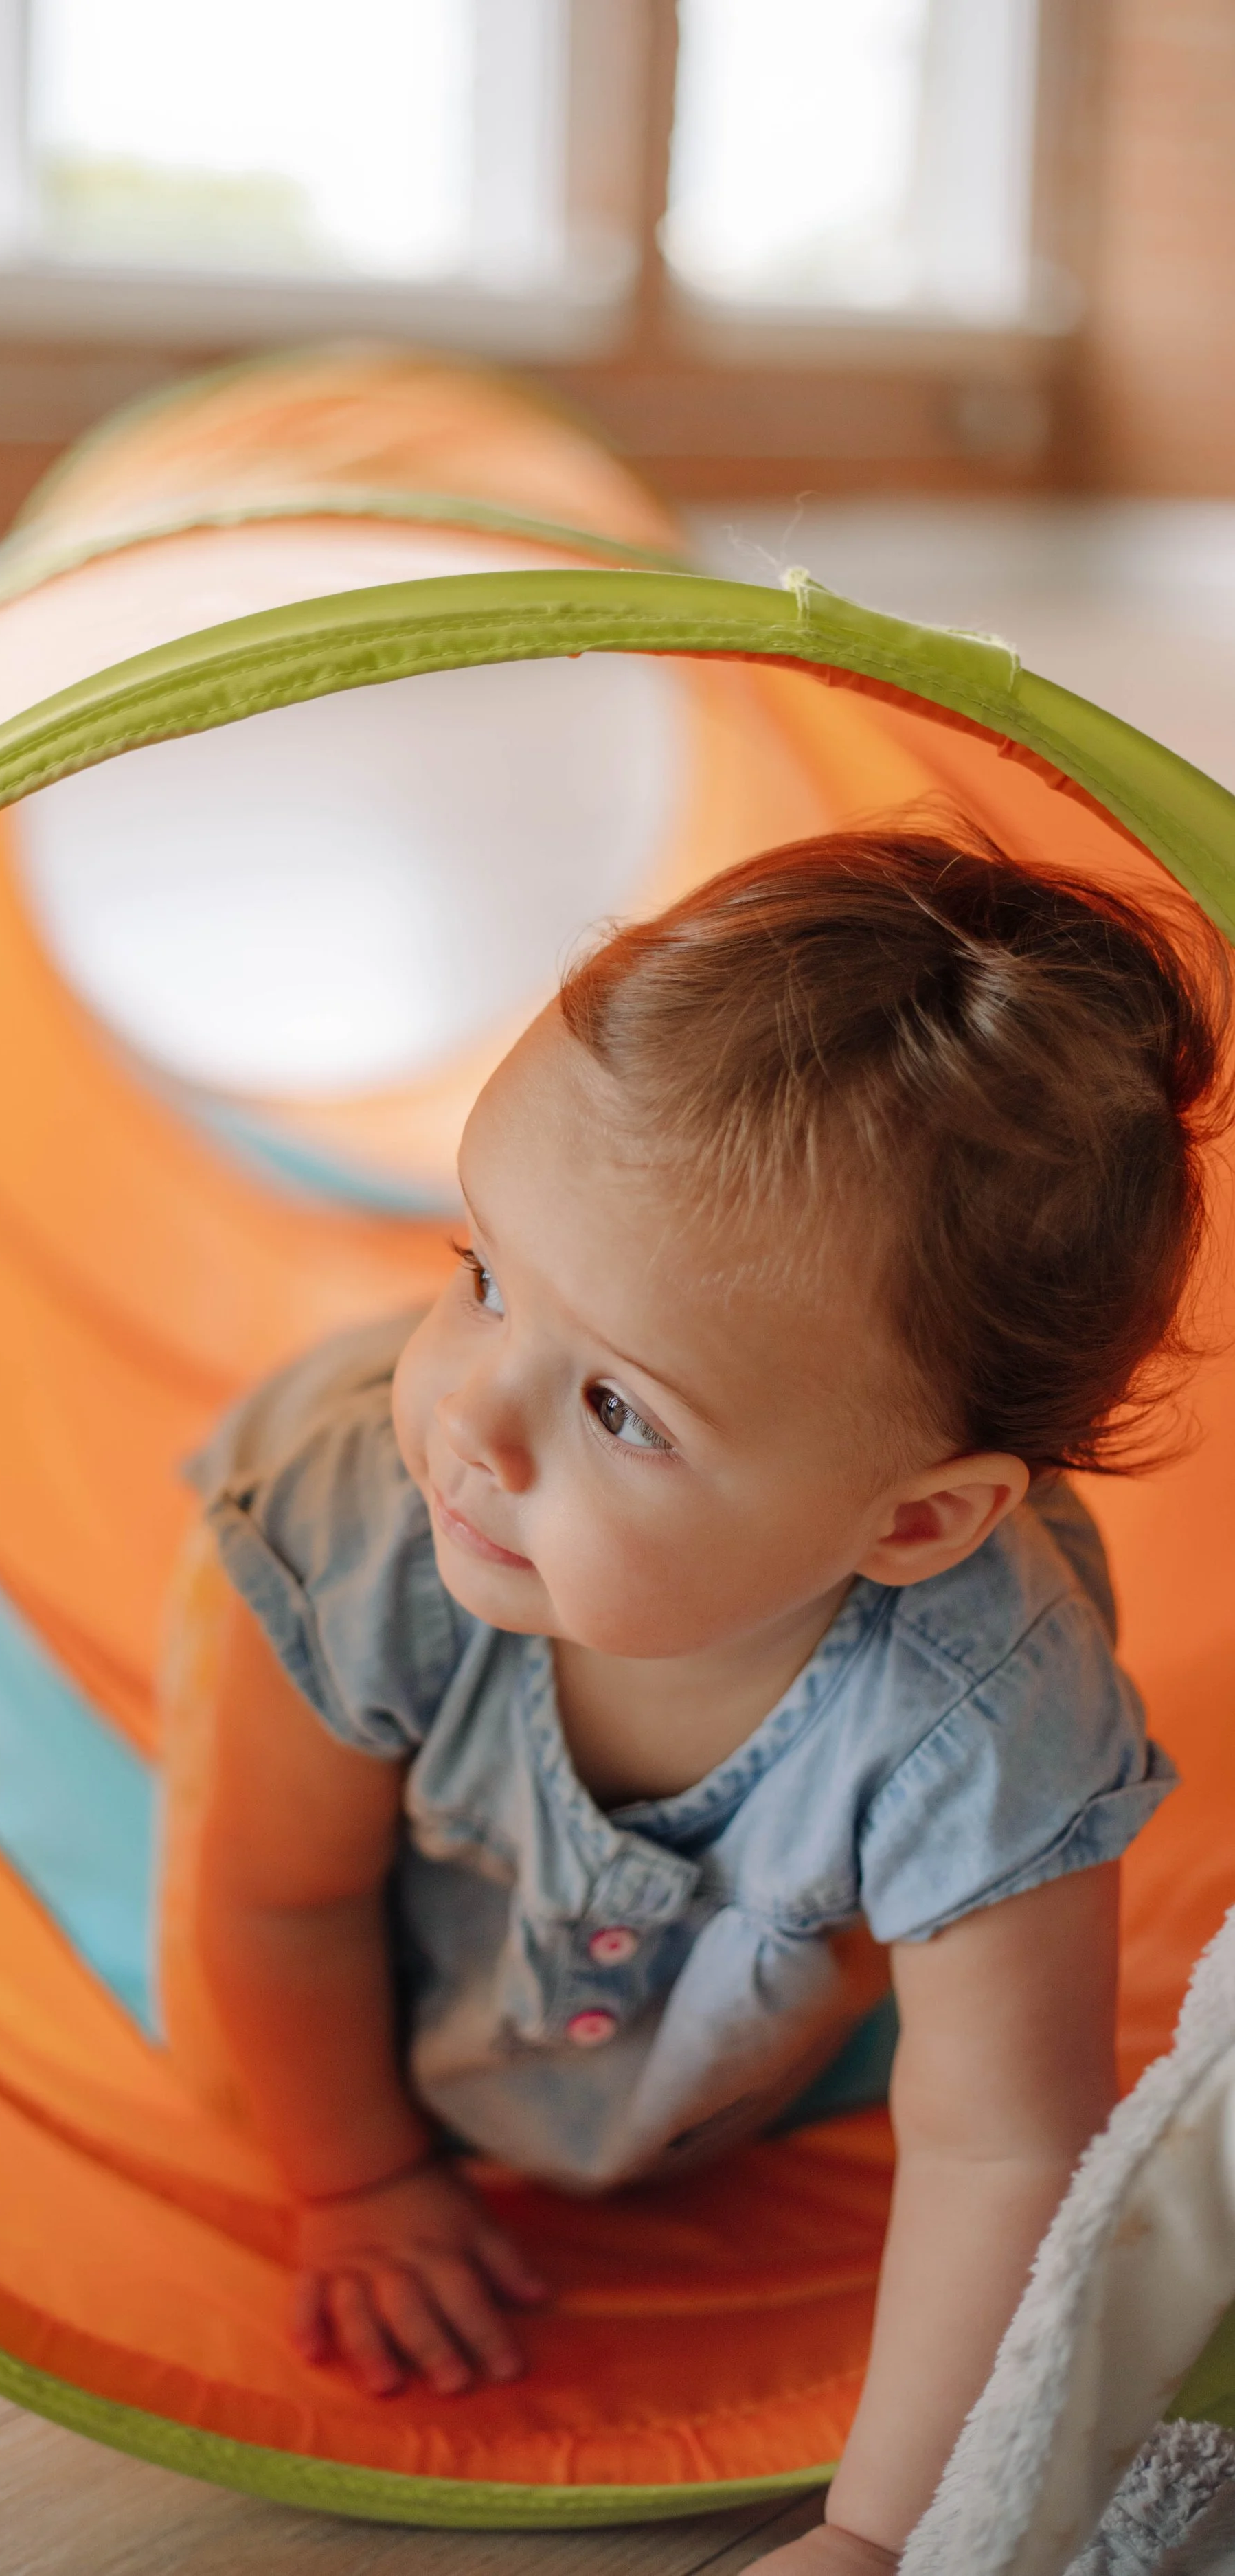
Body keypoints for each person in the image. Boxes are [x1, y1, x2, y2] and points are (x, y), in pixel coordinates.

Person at [171, 826, 1229, 2571]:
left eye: (617, 1413)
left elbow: (1002, 2148)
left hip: (765, 2069)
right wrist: (353, 2183)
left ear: (911, 1523)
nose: (476, 1423)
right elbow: (276, 1898)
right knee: (275, 1596)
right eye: (483, 1273)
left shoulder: (983, 1712)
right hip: (414, 1984)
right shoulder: (378, 1509)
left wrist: (882, 2537)